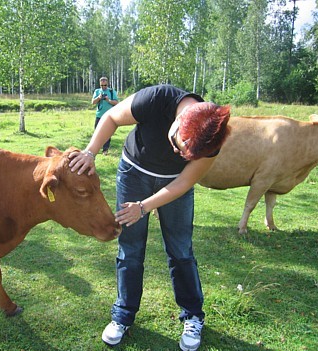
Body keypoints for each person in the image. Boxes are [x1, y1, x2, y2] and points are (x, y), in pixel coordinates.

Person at [69, 84, 230, 351]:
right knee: (130, 246)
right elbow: (110, 117)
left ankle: (192, 315)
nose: (179, 155)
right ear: (177, 121)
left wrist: (143, 207)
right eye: (179, 147)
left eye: (187, 155)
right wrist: (90, 152)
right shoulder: (157, 99)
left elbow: (183, 183)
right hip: (134, 173)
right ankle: (123, 314)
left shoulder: (212, 138)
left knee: (181, 249)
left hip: (174, 185)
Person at [92, 77, 118, 155]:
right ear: (100, 84)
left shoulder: (111, 91)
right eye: (102, 85)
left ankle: (105, 150)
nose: (103, 87)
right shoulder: (97, 91)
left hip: (109, 116)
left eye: (105, 85)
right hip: (99, 115)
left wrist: (108, 100)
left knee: (107, 133)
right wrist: (99, 98)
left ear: (107, 83)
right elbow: (93, 102)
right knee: (97, 132)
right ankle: (95, 149)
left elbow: (116, 102)